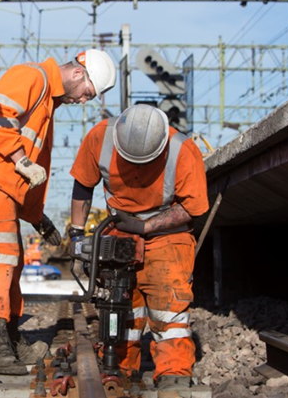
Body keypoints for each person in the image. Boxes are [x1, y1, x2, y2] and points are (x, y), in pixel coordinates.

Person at [0, 49, 117, 374]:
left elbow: (31, 172)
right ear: (79, 75)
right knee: (0, 252)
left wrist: (37, 218)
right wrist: (21, 158)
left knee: (14, 257)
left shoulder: (47, 103)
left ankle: (8, 335)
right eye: (87, 94)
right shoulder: (32, 75)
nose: (83, 101)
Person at [67, 104, 209, 392]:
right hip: (120, 229)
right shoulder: (100, 137)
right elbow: (83, 184)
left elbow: (193, 208)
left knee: (168, 309)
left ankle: (174, 373)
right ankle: (119, 367)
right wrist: (77, 234)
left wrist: (145, 227)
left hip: (168, 234)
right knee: (121, 304)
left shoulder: (183, 150)